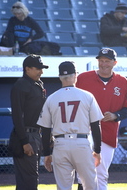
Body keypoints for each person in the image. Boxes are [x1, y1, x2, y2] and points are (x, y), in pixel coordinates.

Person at [37, 61, 103, 190]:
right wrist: (98, 150)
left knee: (63, 187)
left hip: (60, 144)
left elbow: (45, 130)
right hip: (81, 143)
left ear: (59, 77)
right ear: (76, 75)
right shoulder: (87, 96)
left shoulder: (51, 98)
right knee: (90, 186)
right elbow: (96, 126)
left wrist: (47, 153)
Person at [76, 48, 127, 190]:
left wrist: (116, 115)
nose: (103, 64)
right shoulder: (83, 78)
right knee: (82, 174)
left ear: (115, 62)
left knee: (101, 174)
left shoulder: (123, 82)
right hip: (84, 132)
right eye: (101, 61)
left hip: (108, 133)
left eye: (107, 61)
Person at [9, 54, 48, 190]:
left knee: (31, 178)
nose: (41, 72)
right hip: (26, 135)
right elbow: (17, 116)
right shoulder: (21, 85)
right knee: (29, 179)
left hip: (36, 134)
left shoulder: (37, 83)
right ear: (27, 69)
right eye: (38, 68)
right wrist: (25, 141)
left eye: (41, 68)